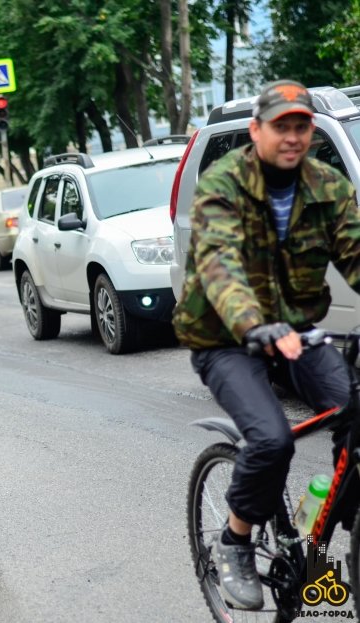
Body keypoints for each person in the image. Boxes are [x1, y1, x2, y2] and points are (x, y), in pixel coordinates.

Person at [172, 80, 360, 611]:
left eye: (302, 126)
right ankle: (234, 541)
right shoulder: (222, 184)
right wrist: (254, 323)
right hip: (225, 337)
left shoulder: (327, 186)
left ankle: (325, 518)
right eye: (283, 126)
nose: (294, 136)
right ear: (257, 131)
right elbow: (219, 263)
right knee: (272, 440)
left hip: (300, 332)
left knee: (353, 409)